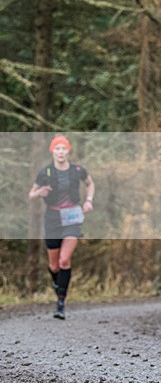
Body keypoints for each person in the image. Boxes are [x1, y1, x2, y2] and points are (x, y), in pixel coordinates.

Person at [28, 134, 95, 319]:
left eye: (63, 148)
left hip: (73, 216)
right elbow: (31, 194)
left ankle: (60, 302)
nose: (60, 152)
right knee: (54, 265)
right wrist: (39, 192)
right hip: (52, 217)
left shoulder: (77, 170)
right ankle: (58, 283)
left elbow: (90, 184)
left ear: (68, 151)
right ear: (52, 151)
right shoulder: (45, 172)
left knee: (65, 260)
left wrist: (89, 200)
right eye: (57, 148)